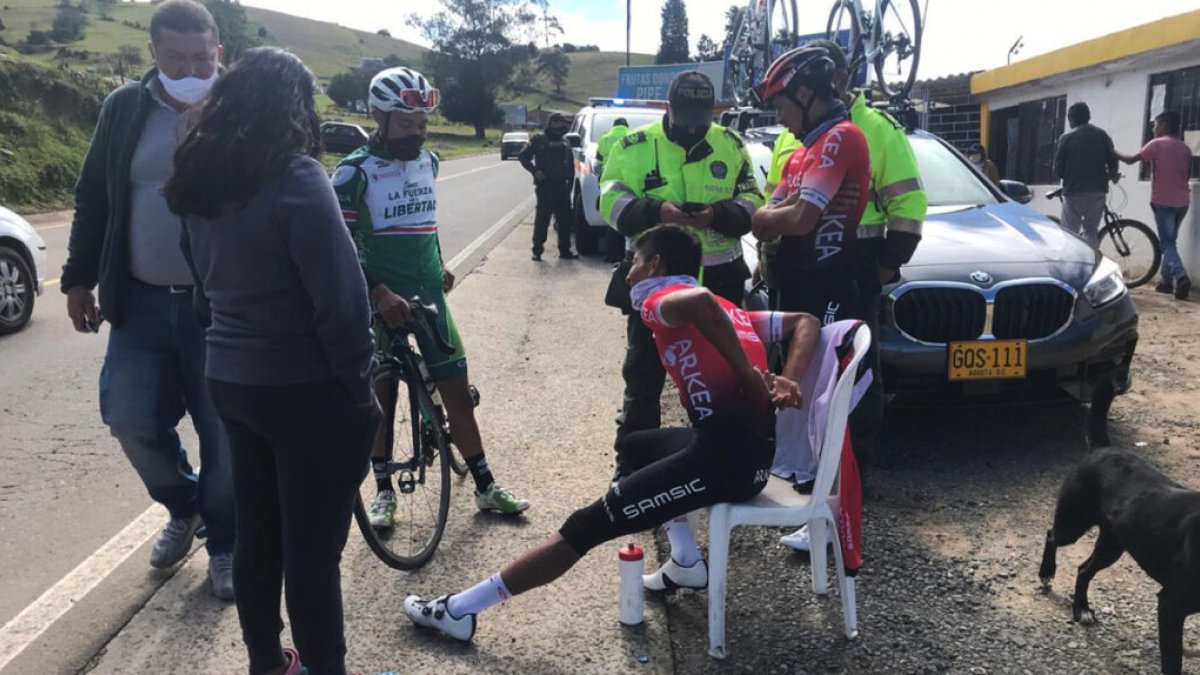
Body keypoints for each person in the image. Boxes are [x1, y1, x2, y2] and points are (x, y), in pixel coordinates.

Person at [401, 224, 821, 641]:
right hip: (748, 455)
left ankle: (460, 611)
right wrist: (789, 379)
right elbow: (806, 321)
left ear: (656, 264)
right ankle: (687, 562)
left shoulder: (662, 299)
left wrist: (749, 377)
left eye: (635, 262)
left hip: (726, 466)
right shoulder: (735, 311)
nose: (628, 273)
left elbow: (699, 301)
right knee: (635, 446)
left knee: (586, 525)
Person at [167, 47, 379, 675]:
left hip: (231, 381)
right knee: (313, 554)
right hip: (306, 388)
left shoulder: (198, 181)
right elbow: (341, 300)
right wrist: (359, 387)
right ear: (294, 106)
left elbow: (202, 288)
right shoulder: (297, 177)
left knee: (259, 536)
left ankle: (268, 662)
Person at [60, 0, 235, 600]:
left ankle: (228, 541)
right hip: (141, 303)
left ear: (218, 51)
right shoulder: (124, 108)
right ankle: (183, 504)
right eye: (175, 56)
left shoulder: (240, 109)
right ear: (153, 52)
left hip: (225, 308)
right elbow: (94, 197)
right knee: (129, 417)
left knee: (227, 433)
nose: (189, 67)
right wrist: (78, 279)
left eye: (200, 56)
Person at [333, 67, 530, 520]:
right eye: (405, 125)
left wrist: (438, 262)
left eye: (422, 125)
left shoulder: (430, 162)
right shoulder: (352, 174)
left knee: (457, 394)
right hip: (380, 303)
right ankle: (383, 491)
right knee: (381, 403)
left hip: (428, 295)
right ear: (378, 117)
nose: (416, 135)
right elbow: (340, 250)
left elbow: (428, 219)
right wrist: (379, 292)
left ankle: (485, 484)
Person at [600, 70, 765, 452]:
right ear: (668, 107)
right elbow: (610, 203)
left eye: (702, 118)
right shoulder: (632, 146)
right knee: (642, 378)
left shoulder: (730, 143)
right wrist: (659, 211)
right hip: (654, 281)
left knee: (723, 374)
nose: (694, 127)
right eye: (686, 116)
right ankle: (633, 462)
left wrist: (716, 216)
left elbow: (752, 202)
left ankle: (724, 457)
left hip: (719, 280)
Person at [1114, 110, 1193, 300]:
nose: (1153, 128)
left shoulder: (1156, 144)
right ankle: (1166, 283)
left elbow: (1131, 160)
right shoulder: (1185, 148)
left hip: (1163, 201)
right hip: (1182, 201)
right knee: (1170, 242)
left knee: (1166, 242)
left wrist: (1112, 150)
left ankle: (1181, 277)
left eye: (1155, 125)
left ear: (1164, 124)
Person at [1054, 101, 1119, 246]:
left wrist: (1070, 177)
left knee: (1070, 232)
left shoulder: (1066, 138)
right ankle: (1091, 264)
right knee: (1091, 231)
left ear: (1071, 119)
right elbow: (1113, 159)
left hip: (1073, 191)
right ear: (1088, 117)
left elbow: (1058, 170)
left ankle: (1071, 264)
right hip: (1097, 191)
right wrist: (1113, 175)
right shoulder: (1103, 135)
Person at [519, 112, 578, 261]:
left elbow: (570, 166)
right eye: (556, 123)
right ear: (550, 124)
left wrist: (569, 186)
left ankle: (565, 251)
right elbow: (523, 156)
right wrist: (535, 171)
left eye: (562, 123)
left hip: (562, 188)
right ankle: (537, 250)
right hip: (546, 188)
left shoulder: (565, 142)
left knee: (564, 222)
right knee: (542, 220)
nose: (559, 126)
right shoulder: (539, 140)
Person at [596, 117, 631, 263]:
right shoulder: (631, 136)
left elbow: (598, 160)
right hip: (627, 181)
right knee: (628, 220)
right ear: (626, 126)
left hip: (609, 182)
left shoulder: (604, 138)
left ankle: (611, 255)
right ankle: (625, 255)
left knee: (612, 221)